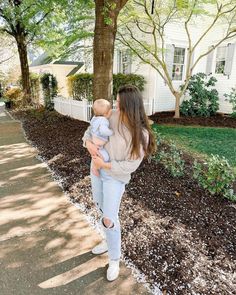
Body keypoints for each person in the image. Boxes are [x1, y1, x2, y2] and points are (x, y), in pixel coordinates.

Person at [82, 85, 156, 281]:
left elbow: (130, 166)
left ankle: (114, 258)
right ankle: (109, 240)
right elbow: (90, 132)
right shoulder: (110, 115)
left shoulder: (141, 134)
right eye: (115, 102)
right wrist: (88, 144)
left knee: (109, 217)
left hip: (114, 177)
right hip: (96, 170)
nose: (115, 106)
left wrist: (104, 164)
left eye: (119, 103)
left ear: (130, 106)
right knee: (99, 207)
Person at [90, 99, 113, 176]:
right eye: (110, 110)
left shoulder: (94, 118)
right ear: (106, 113)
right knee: (105, 157)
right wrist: (111, 132)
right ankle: (95, 167)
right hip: (99, 143)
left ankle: (95, 165)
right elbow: (103, 131)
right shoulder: (103, 120)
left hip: (94, 140)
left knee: (97, 155)